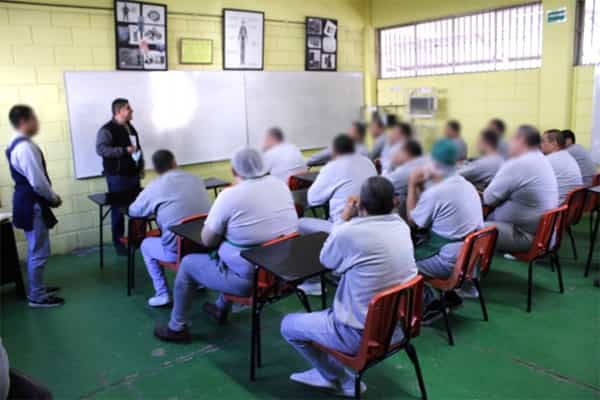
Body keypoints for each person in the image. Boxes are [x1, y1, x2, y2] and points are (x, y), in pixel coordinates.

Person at [281, 177, 418, 397]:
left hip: (361, 335)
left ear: (361, 205)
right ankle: (330, 368)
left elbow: (327, 260)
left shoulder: (351, 232)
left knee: (288, 325)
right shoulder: (401, 226)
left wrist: (345, 216)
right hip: (398, 328)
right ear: (395, 201)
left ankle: (339, 379)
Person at [154, 148, 298, 342]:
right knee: (235, 254)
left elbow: (207, 240)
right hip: (282, 273)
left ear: (233, 171)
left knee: (189, 263)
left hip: (250, 280)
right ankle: (220, 308)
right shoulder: (280, 185)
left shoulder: (230, 196)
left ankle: (177, 327)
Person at [406, 138, 483, 323]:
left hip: (448, 259)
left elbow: (413, 221)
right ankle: (449, 297)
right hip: (469, 256)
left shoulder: (437, 192)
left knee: (402, 264)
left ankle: (429, 306)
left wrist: (411, 185)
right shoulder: (467, 185)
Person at [128, 150, 212, 307]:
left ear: (156, 169)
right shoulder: (195, 179)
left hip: (178, 250)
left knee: (146, 245)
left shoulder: (155, 187)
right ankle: (199, 281)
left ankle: (162, 293)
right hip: (205, 243)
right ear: (174, 162)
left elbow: (134, 210)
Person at [5, 105, 64, 308]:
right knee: (39, 251)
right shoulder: (24, 147)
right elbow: (38, 183)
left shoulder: (15, 143)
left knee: (35, 249)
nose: (37, 122)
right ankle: (37, 297)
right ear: (24, 121)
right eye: (34, 118)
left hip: (25, 201)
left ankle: (37, 288)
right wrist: (54, 198)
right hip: (31, 204)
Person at [483, 125, 558, 254]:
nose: (508, 143)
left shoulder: (518, 162)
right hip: (542, 234)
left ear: (521, 141)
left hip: (524, 236)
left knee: (470, 228)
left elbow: (488, 199)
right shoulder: (539, 158)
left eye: (512, 139)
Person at [299, 134, 377, 235]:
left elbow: (313, 200)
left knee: (300, 223)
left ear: (334, 151)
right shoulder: (368, 162)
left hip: (343, 226)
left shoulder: (332, 167)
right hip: (370, 222)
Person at [96, 98, 144, 256]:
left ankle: (136, 240)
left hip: (133, 175)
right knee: (118, 211)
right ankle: (119, 244)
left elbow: (136, 148)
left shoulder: (130, 127)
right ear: (118, 112)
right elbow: (101, 149)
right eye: (128, 108)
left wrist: (140, 166)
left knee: (138, 209)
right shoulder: (107, 129)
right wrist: (123, 151)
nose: (132, 111)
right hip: (117, 177)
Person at [382, 139, 427, 217]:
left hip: (417, 215)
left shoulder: (406, 170)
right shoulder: (424, 161)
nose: (395, 155)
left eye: (398, 152)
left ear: (407, 152)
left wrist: (390, 163)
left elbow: (381, 184)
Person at [541, 129, 583, 204]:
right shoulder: (568, 156)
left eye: (543, 141)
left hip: (555, 210)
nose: (540, 144)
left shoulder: (548, 160)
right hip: (570, 207)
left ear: (554, 143)